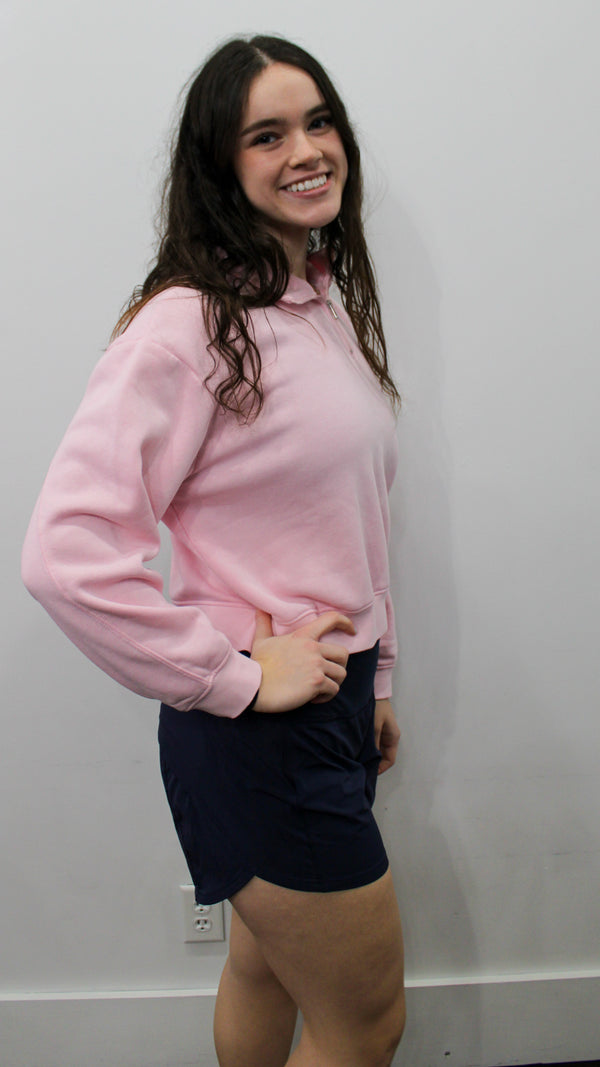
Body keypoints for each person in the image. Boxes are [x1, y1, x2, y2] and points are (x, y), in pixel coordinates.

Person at [22, 34, 406, 1067]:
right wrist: (234, 674)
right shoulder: (189, 325)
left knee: (266, 970)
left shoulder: (316, 303)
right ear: (219, 165)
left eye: (318, 122)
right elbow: (64, 553)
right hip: (259, 731)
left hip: (325, 702)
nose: (307, 150)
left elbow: (351, 516)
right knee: (365, 1024)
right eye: (267, 135)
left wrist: (375, 676)